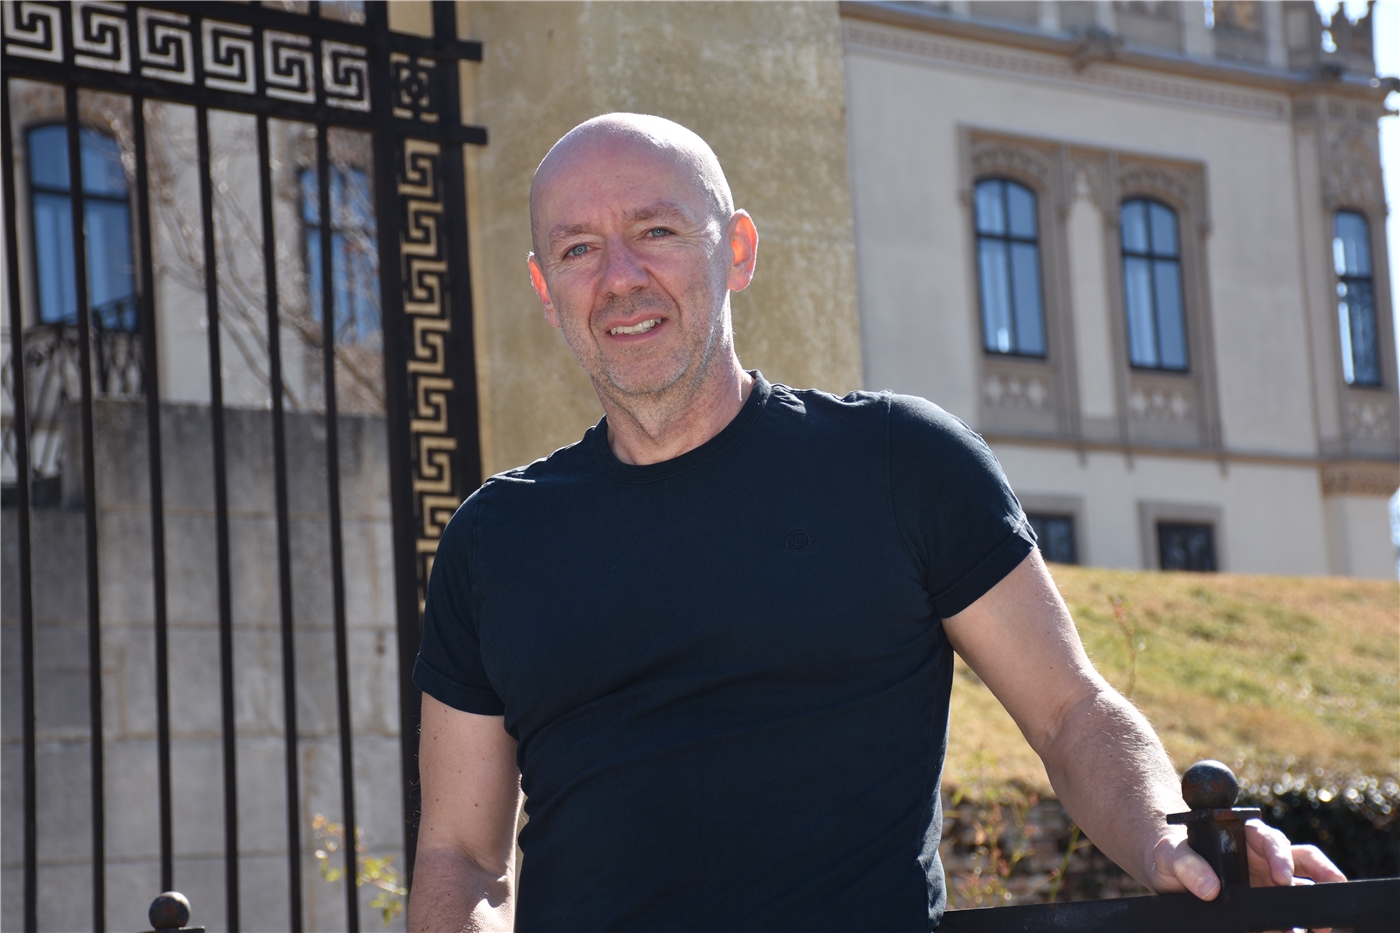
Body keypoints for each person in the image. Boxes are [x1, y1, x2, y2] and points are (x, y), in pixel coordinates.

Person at [407, 113, 1343, 932]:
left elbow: (1070, 712)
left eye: (656, 231)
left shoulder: (901, 463)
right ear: (545, 289)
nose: (620, 277)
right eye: (578, 249)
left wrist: (1168, 840)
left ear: (737, 251)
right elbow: (461, 854)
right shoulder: (495, 540)